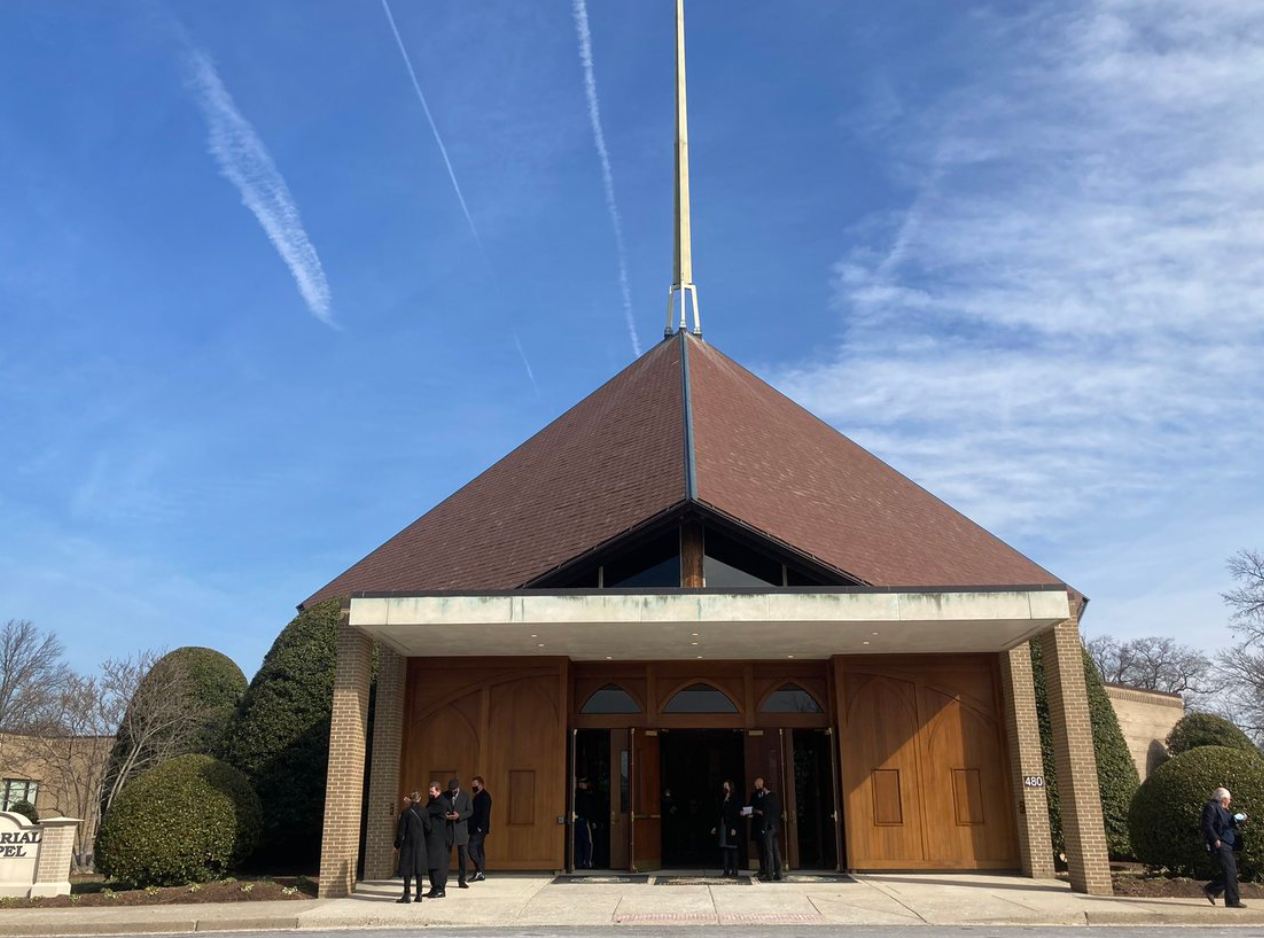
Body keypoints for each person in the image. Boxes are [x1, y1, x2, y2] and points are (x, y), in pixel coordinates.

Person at [1203, 786, 1248, 908]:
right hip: (1221, 843)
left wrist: (1240, 819)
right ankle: (1232, 901)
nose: (1230, 801)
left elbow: (1229, 823)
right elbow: (1207, 825)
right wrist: (1215, 839)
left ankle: (1211, 890)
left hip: (1228, 845)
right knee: (1230, 871)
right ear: (1223, 799)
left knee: (1230, 872)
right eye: (1229, 799)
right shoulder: (1211, 807)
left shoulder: (1225, 811)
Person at [443, 777, 474, 889]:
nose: (452, 792)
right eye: (451, 790)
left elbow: (470, 811)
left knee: (463, 856)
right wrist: (445, 816)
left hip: (461, 830)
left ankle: (462, 880)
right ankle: (443, 879)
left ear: (458, 787)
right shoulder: (444, 795)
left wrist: (459, 816)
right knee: (446, 856)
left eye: (454, 790)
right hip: (448, 830)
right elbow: (440, 809)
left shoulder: (465, 796)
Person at [394, 794, 426, 903]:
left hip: (408, 843)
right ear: (420, 799)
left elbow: (401, 830)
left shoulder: (406, 812)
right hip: (420, 843)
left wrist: (397, 844)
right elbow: (428, 827)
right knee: (419, 869)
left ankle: (407, 894)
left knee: (407, 869)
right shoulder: (424, 811)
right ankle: (419, 894)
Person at [422, 783, 450, 897]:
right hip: (431, 837)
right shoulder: (434, 801)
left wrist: (413, 805)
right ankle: (434, 888)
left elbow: (425, 812)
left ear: (438, 791)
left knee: (436, 863)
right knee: (431, 864)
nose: (430, 794)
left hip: (437, 838)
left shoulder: (440, 802)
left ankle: (440, 889)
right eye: (429, 792)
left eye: (432, 792)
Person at [711, 779, 741, 878]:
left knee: (733, 848)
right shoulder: (722, 798)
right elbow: (719, 813)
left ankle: (735, 870)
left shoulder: (735, 797)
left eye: (727, 786)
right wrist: (716, 826)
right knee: (725, 849)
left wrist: (734, 827)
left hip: (731, 826)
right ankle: (726, 870)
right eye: (724, 786)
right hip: (723, 825)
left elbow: (736, 814)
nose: (725, 788)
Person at [754, 779, 783, 882]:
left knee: (768, 851)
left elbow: (764, 813)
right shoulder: (775, 797)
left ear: (763, 787)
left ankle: (769, 874)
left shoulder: (765, 799)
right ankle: (779, 873)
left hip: (768, 827)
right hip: (776, 826)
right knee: (776, 850)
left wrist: (756, 811)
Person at [470, 776, 492, 882]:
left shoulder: (485, 797)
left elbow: (485, 814)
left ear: (481, 785)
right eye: (472, 785)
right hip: (475, 828)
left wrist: (480, 827)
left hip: (480, 829)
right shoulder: (477, 796)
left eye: (475, 785)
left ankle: (479, 870)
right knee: (479, 850)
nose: (473, 787)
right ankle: (481, 873)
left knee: (471, 848)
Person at [574, 777, 595, 869]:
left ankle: (578, 863)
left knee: (578, 842)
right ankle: (587, 863)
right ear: (581, 784)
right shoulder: (585, 796)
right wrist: (593, 821)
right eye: (585, 783)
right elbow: (588, 810)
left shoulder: (574, 795)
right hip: (583, 821)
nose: (587, 785)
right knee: (588, 842)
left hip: (576, 820)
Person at [749, 778, 768, 878]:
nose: (757, 787)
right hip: (757, 825)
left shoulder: (767, 795)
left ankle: (768, 869)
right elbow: (750, 806)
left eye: (759, 785)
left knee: (766, 849)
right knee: (759, 849)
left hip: (765, 824)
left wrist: (762, 812)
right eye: (756, 785)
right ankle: (762, 869)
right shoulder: (754, 795)